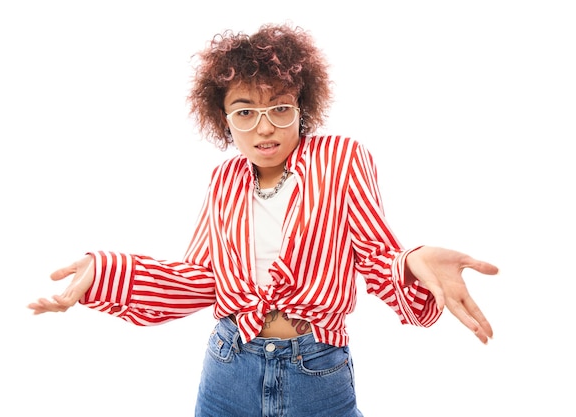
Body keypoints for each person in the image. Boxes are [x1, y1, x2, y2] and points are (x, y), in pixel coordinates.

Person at [28, 23, 499, 417]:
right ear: (224, 119)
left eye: (279, 108)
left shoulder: (342, 160)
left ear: (302, 107)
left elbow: (374, 255)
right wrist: (107, 273)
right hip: (229, 364)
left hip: (317, 367)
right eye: (245, 112)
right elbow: (199, 279)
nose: (265, 126)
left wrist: (413, 260)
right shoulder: (223, 180)